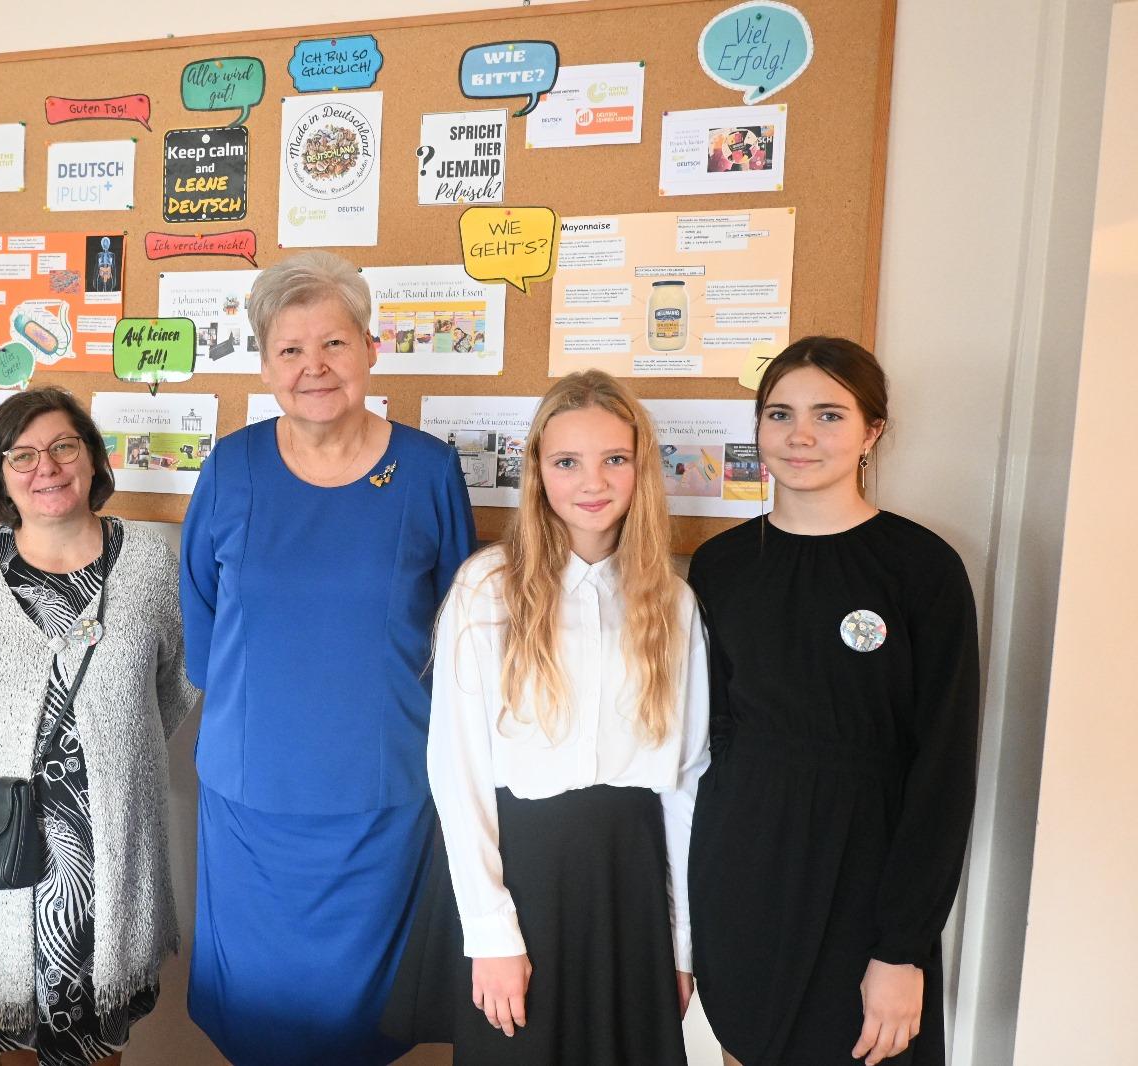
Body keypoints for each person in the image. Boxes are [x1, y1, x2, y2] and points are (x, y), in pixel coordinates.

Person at [180, 250, 477, 1065]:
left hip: (382, 798)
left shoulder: (428, 471)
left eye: (334, 343)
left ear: (371, 349)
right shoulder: (231, 467)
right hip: (251, 798)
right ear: (265, 365)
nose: (314, 367)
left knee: (362, 1023)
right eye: (290, 350)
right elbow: (201, 619)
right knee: (258, 1015)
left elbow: (463, 631)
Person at [383, 371, 709, 1064]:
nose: (593, 482)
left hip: (630, 883)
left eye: (614, 459)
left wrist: (681, 944)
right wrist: (491, 933)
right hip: (521, 875)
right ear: (537, 470)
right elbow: (458, 771)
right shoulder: (488, 589)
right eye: (567, 461)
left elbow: (685, 783)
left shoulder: (673, 604)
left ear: (641, 468)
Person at [687, 337, 980, 1066]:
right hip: (743, 870)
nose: (800, 435)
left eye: (828, 415)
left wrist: (903, 948)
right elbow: (702, 740)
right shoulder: (720, 566)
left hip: (867, 884)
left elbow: (943, 771)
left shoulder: (922, 568)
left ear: (871, 431)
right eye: (779, 414)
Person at [0, 386, 196, 1066]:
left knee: (96, 1025)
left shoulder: (151, 562)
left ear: (92, 458)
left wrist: (113, 748)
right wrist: (8, 751)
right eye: (23, 454)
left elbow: (176, 685)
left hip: (110, 838)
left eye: (64, 446)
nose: (47, 467)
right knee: (4, 1021)